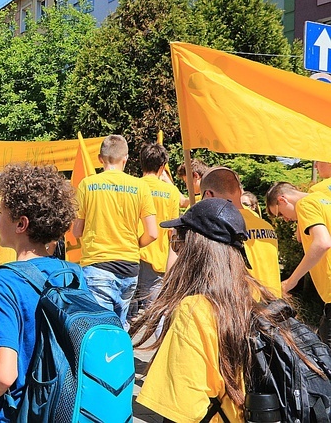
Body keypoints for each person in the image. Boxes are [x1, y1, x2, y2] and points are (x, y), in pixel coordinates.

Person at [131, 198, 286, 421]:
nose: (175, 251)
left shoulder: (194, 311)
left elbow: (182, 413)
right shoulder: (257, 297)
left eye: (176, 242)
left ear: (195, 249)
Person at [0, 163, 81, 423]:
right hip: (63, 407)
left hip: (22, 411)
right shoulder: (74, 274)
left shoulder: (4, 281)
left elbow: (4, 374)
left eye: (1, 212)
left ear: (21, 223)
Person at [71, 135, 157, 328]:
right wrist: (134, 245)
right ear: (125, 158)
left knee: (99, 327)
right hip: (129, 266)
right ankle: (122, 356)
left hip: (97, 264)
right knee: (119, 325)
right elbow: (152, 233)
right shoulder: (140, 186)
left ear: (100, 158)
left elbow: (77, 231)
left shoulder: (87, 184)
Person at [266, 181, 331, 345]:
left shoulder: (305, 204)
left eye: (280, 214)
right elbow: (300, 237)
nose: (285, 219)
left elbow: (322, 242)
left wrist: (291, 281)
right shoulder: (323, 198)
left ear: (282, 199)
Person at [201, 167, 281, 297]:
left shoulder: (217, 226)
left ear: (209, 194)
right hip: (274, 305)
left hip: (244, 308)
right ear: (239, 190)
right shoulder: (264, 223)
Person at [133, 143, 181, 313]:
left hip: (131, 253)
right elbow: (172, 230)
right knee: (154, 315)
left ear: (141, 163)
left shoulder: (132, 186)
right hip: (157, 259)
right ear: (162, 167)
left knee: (124, 316)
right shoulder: (172, 192)